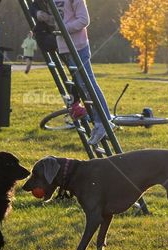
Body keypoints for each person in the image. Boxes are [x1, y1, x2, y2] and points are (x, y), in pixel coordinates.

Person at [35, 0, 110, 146]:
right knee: (82, 87)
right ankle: (99, 122)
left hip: (78, 46)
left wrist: (63, 29)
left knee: (88, 84)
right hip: (65, 46)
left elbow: (84, 20)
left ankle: (104, 122)